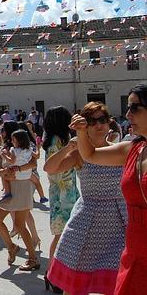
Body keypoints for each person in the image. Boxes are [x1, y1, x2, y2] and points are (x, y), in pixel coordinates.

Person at [68, 84, 147, 294]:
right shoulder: (133, 148)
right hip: (135, 248)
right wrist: (81, 132)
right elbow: (91, 155)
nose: (128, 114)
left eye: (135, 108)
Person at [44, 101, 126, 295]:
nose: (98, 125)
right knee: (74, 282)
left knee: (116, 280)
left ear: (109, 123)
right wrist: (69, 147)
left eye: (102, 120)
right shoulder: (79, 154)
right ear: (84, 125)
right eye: (92, 121)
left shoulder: (119, 150)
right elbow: (50, 168)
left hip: (118, 221)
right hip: (86, 221)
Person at [42, 106, 80, 288]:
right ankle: (51, 273)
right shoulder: (56, 141)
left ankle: (54, 273)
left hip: (68, 192)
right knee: (60, 236)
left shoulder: (60, 139)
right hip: (62, 194)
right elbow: (54, 170)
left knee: (64, 236)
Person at [0, 141, 40, 271]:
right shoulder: (5, 150)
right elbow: (0, 171)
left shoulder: (25, 149)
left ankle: (33, 258)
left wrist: (15, 171)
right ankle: (11, 247)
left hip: (22, 188)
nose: (1, 133)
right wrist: (4, 172)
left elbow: (33, 165)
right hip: (8, 191)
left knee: (20, 226)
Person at [0, 130, 33, 201]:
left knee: (5, 178)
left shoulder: (14, 150)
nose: (12, 141)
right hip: (27, 175)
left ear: (20, 141)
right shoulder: (29, 149)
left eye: (13, 140)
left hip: (16, 174)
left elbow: (12, 161)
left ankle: (7, 193)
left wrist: (3, 155)